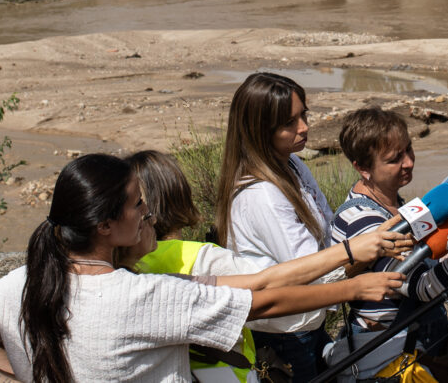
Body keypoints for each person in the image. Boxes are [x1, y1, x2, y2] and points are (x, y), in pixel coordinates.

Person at [0, 154, 404, 383]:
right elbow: (263, 299)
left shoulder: (20, 284)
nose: (148, 212)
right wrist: (353, 288)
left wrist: (347, 254)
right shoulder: (142, 298)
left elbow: (260, 282)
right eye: (138, 203)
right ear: (105, 226)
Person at [122, 150, 412, 382]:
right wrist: (352, 267)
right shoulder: (199, 258)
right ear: (176, 193)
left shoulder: (128, 267)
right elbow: (269, 287)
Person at [325, 107, 448, 382]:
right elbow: (422, 288)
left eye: (409, 150)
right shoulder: (363, 219)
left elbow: (423, 264)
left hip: (414, 347)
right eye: (394, 159)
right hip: (386, 359)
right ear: (362, 168)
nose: (408, 163)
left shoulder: (399, 205)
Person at [214, 72, 336, 382]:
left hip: (309, 323)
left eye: (303, 115)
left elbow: (329, 225)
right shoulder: (261, 194)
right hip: (287, 335)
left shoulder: (292, 164)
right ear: (259, 130)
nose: (304, 127)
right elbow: (311, 268)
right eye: (290, 123)